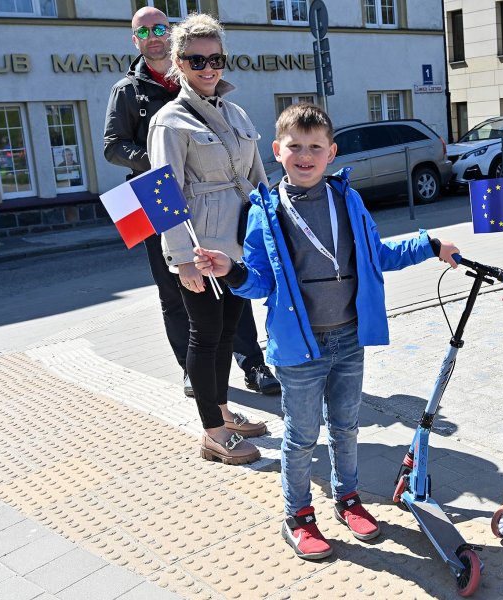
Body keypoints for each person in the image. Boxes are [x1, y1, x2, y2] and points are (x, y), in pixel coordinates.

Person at [192, 103, 460, 560]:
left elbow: (376, 254)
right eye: (294, 146)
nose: (305, 155)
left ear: (331, 152)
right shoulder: (266, 210)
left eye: (315, 146)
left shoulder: (347, 199)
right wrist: (232, 271)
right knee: (301, 436)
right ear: (277, 150)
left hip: (349, 338)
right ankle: (297, 514)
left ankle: (348, 498)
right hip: (299, 346)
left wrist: (429, 244)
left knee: (346, 427)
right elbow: (260, 279)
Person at [103, 7, 280, 397]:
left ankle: (251, 363)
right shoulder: (128, 91)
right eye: (143, 31)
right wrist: (160, 161)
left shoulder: (222, 99)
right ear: (136, 40)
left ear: (172, 35)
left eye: (159, 28)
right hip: (153, 195)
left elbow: (250, 167)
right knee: (175, 289)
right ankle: (192, 371)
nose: (152, 36)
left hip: (220, 204)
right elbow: (113, 147)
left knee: (235, 288)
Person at [147, 13, 269, 465]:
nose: (209, 67)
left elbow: (256, 177)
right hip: (201, 248)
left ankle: (221, 410)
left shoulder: (235, 111)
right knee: (205, 335)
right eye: (197, 59)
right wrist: (181, 259)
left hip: (240, 245)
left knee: (229, 332)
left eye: (216, 57)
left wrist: (271, 229)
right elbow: (163, 196)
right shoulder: (168, 121)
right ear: (179, 62)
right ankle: (214, 434)